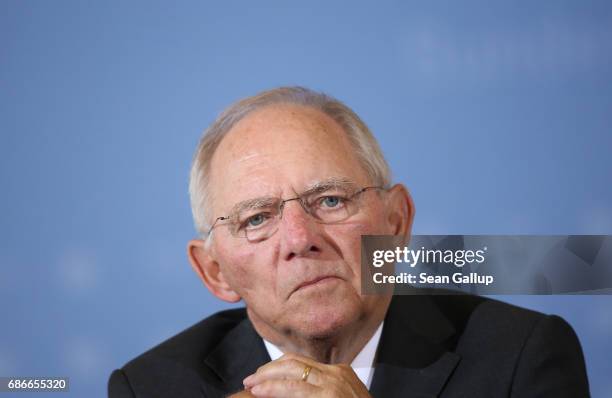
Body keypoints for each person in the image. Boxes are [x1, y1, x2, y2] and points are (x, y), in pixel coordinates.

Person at [108, 87, 589, 397]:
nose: (300, 239)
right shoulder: (152, 387)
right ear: (215, 272)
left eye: (331, 201)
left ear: (396, 223)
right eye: (256, 218)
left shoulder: (521, 358)